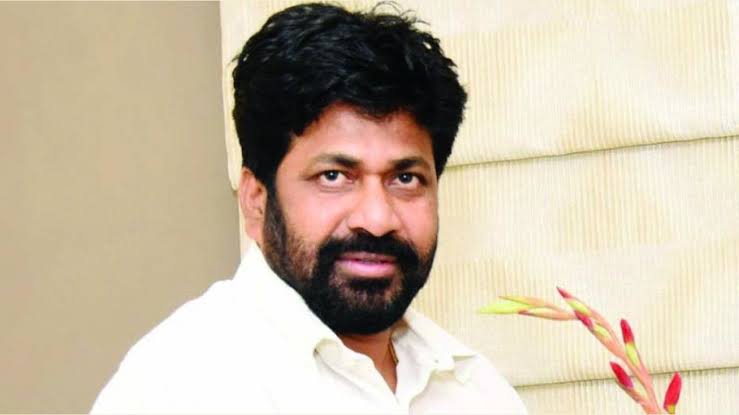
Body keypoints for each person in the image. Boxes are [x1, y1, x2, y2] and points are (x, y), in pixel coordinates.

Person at [91, 3, 527, 414]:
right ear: (255, 199)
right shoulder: (181, 386)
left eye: (405, 179)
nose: (377, 219)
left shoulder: (473, 390)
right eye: (333, 176)